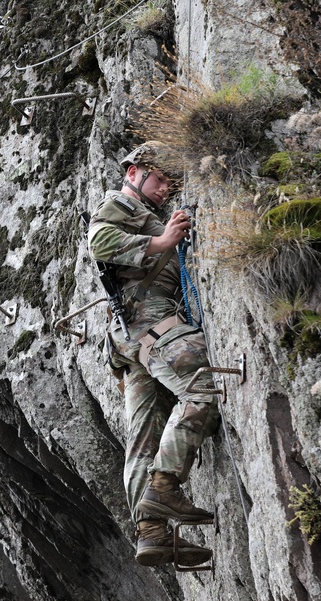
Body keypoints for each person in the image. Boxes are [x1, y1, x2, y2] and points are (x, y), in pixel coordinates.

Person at [86, 142, 220, 567]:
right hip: (151, 326)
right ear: (134, 173)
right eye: (158, 178)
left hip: (131, 340)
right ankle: (162, 489)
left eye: (168, 181)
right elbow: (100, 241)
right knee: (205, 386)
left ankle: (152, 533)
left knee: (144, 437)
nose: (164, 187)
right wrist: (162, 239)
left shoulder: (141, 211)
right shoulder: (119, 204)